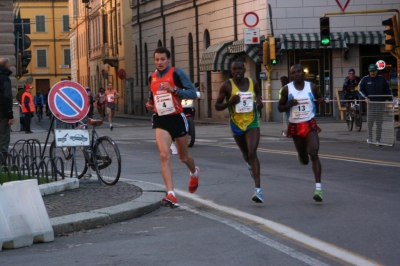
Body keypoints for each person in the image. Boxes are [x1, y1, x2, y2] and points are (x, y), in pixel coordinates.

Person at [145, 46, 199, 208]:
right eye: (157, 59)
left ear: (169, 60)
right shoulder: (152, 77)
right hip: (161, 119)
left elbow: (192, 93)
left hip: (177, 118)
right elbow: (152, 96)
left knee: (183, 157)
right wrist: (149, 104)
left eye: (162, 59)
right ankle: (171, 194)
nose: (159, 62)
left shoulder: (177, 73)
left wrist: (175, 90)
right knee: (164, 155)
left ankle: (194, 172)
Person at [215, 60, 264, 203]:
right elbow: (217, 106)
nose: (237, 72)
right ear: (231, 71)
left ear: (244, 69)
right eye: (234, 69)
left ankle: (258, 191)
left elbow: (258, 95)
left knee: (253, 152)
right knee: (246, 154)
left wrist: (259, 103)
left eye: (239, 69)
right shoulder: (226, 86)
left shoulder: (253, 82)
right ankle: (249, 163)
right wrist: (230, 103)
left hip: (252, 121)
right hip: (236, 124)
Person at [277, 64, 325, 202]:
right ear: (291, 75)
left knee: (314, 153)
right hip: (295, 125)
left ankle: (318, 189)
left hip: (309, 123)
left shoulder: (312, 87)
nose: (296, 74)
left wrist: (320, 101)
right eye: (293, 72)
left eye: (298, 72)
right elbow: (280, 108)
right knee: (304, 160)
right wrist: (288, 105)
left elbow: (318, 98)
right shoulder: (287, 89)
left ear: (303, 73)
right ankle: (301, 155)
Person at [359, 64, 393, 144]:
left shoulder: (382, 79)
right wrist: (365, 98)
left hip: (380, 103)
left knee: (379, 122)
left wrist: (391, 99)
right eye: (371, 71)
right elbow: (360, 90)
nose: (372, 73)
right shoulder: (365, 79)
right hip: (370, 104)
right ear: (369, 71)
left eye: (374, 71)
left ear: (377, 71)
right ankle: (370, 138)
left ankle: (378, 139)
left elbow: (388, 89)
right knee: (370, 122)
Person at [0, 58, 15, 164]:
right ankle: (2, 166)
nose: (10, 66)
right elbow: (6, 97)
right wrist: (10, 115)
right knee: (3, 139)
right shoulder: (4, 78)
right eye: (9, 64)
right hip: (2, 114)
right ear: (6, 65)